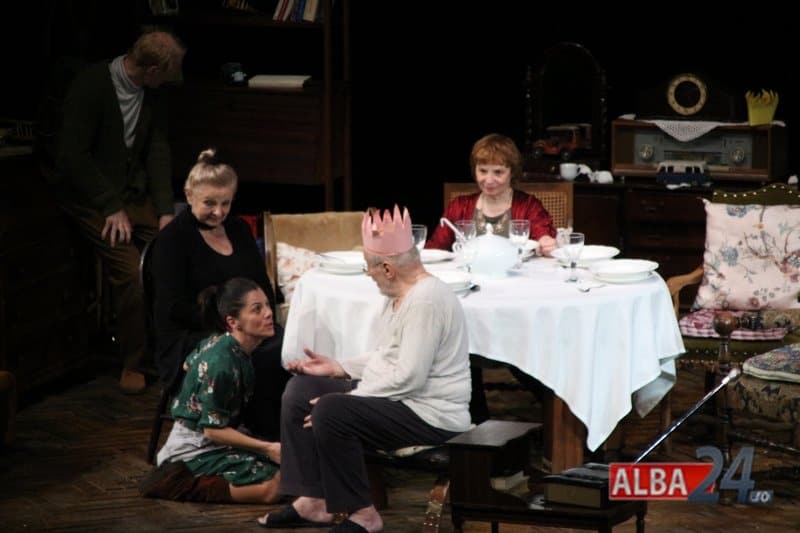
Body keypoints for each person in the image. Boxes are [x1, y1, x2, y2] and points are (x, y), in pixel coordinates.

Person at [258, 206, 472, 532]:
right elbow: (387, 357)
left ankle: (363, 514)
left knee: (331, 410)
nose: (368, 275)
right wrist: (338, 366)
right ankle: (313, 499)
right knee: (301, 391)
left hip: (431, 415)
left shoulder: (426, 300)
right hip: (401, 401)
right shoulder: (399, 295)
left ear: (387, 268)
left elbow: (409, 376)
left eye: (368, 267)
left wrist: (351, 399)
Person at [53, 30, 186, 394]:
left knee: (173, 251)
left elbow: (157, 150)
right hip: (93, 198)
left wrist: (165, 211)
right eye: (168, 73)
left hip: (132, 194)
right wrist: (110, 206)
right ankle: (133, 361)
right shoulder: (92, 86)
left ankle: (172, 351)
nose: (171, 80)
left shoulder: (153, 94)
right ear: (153, 69)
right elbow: (73, 156)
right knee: (130, 271)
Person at [152, 148, 289, 441]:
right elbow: (174, 308)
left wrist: (258, 318)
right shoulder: (172, 240)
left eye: (225, 203)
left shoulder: (238, 229)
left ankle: (283, 433)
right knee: (262, 355)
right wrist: (233, 325)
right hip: (194, 334)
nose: (218, 211)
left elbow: (261, 284)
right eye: (209, 203)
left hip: (243, 325)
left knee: (287, 346)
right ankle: (261, 437)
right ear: (189, 195)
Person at [140, 277, 282, 504]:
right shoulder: (221, 363)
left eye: (267, 305)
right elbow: (212, 431)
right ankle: (182, 483)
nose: (268, 313)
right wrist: (267, 448)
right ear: (233, 322)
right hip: (195, 449)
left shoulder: (226, 345)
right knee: (275, 486)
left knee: (292, 468)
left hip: (220, 436)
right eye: (257, 309)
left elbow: (188, 364)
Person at [427, 133, 558, 255]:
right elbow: (434, 250)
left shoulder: (529, 205)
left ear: (512, 172)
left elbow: (542, 234)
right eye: (483, 171)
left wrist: (546, 243)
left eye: (498, 172)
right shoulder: (459, 206)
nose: (489, 180)